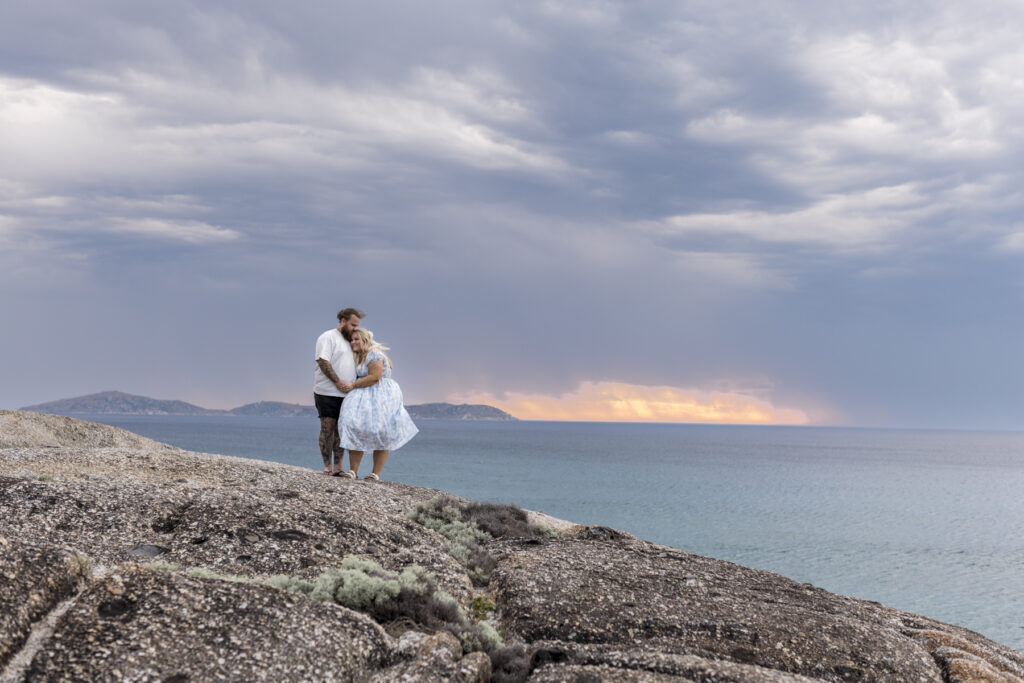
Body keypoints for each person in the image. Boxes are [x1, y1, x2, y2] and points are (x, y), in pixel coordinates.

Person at [337, 328, 418, 480]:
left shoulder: (373, 353)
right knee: (355, 427)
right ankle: (353, 471)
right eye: (351, 339)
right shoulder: (359, 356)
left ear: (365, 341)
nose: (353, 342)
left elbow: (375, 376)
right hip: (365, 395)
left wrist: (352, 385)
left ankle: (375, 473)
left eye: (356, 339)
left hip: (380, 396)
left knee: (382, 432)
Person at [313, 307, 365, 476]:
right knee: (327, 428)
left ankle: (339, 468)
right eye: (352, 325)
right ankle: (327, 467)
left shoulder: (352, 340)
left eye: (357, 325)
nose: (355, 328)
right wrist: (337, 381)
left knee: (341, 431)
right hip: (326, 391)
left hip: (347, 393)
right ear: (343, 321)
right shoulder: (328, 337)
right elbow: (322, 361)